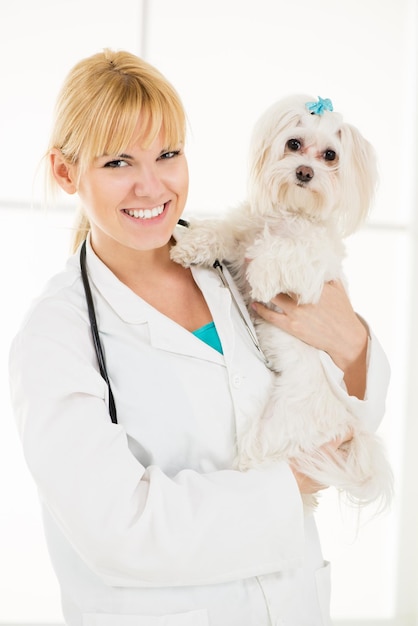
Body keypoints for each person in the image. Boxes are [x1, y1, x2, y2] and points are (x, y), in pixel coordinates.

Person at [9, 49, 390, 626]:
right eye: (117, 162)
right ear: (67, 172)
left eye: (168, 154)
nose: (150, 185)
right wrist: (295, 481)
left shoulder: (232, 258)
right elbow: (117, 529)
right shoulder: (54, 337)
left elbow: (349, 407)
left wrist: (354, 345)